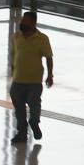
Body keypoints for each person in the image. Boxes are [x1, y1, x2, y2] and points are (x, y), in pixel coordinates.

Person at [9, 9, 54, 144]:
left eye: (25, 21)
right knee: (19, 110)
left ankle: (34, 122)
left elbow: (48, 58)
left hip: (34, 81)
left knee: (34, 106)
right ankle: (22, 133)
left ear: (33, 23)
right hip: (17, 81)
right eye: (22, 20)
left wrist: (50, 75)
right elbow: (13, 56)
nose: (22, 22)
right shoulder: (16, 37)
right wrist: (13, 71)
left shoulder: (42, 38)